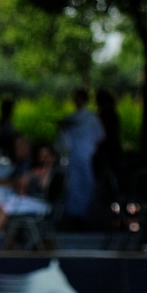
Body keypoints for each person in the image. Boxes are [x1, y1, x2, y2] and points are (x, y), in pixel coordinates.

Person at [0, 142, 59, 251]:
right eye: (41, 156)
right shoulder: (33, 169)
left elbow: (45, 187)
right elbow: (20, 183)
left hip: (41, 204)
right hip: (26, 200)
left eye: (47, 156)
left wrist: (47, 169)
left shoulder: (55, 172)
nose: (43, 159)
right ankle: (11, 243)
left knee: (4, 211)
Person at [57, 88, 104, 229]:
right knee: (73, 186)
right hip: (74, 157)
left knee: (88, 185)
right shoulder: (71, 118)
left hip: (87, 157)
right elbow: (65, 141)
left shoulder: (91, 117)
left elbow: (100, 135)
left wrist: (89, 147)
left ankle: (87, 216)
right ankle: (75, 216)